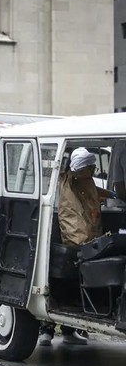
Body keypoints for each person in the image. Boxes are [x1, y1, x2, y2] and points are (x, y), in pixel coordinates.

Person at [40, 147, 112, 346]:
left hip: (83, 240)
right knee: (60, 283)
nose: (93, 170)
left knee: (73, 285)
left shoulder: (82, 180)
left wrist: (112, 194)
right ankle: (47, 329)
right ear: (82, 167)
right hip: (69, 241)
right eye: (90, 166)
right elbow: (71, 215)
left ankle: (68, 330)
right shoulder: (67, 183)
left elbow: (94, 193)